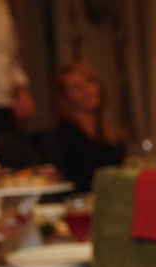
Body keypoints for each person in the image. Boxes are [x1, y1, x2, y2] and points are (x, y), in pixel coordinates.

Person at [51, 61, 126, 193]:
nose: (88, 90)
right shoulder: (66, 136)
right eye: (76, 87)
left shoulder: (108, 134)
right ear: (65, 97)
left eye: (90, 81)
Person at [0, 0, 40, 168]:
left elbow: (11, 57)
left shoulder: (1, 5)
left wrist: (21, 89)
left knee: (13, 169)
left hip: (3, 103)